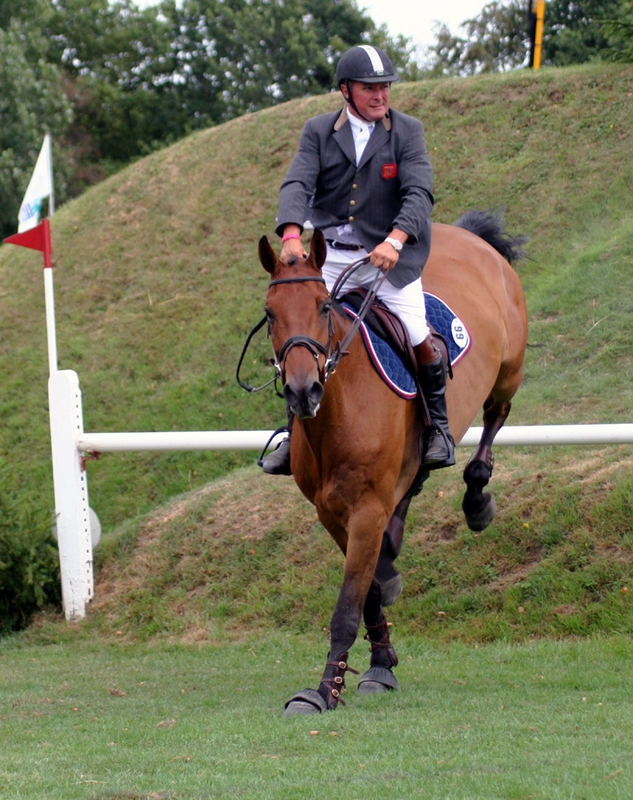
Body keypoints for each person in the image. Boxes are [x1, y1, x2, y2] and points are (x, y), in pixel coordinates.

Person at [262, 44, 454, 475]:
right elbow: (297, 182)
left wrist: (396, 238)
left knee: (417, 332)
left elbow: (419, 193)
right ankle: (293, 433)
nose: (381, 96)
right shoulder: (318, 131)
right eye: (371, 88)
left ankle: (437, 428)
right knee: (299, 327)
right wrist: (292, 233)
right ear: (346, 90)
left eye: (385, 87)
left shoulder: (407, 131)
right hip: (330, 259)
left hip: (388, 258)